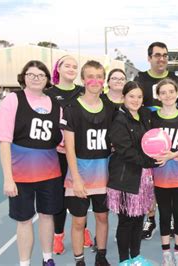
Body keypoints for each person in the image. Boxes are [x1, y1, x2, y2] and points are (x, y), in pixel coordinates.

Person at [0, 60, 62, 266]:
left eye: (41, 75)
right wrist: (8, 179)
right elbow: (4, 141)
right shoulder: (13, 100)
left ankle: (48, 259)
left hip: (50, 173)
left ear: (47, 79)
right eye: (31, 74)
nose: (36, 78)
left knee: (47, 216)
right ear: (24, 77)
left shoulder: (56, 105)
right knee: (24, 220)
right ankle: (24, 263)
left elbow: (63, 140)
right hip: (21, 175)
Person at [134, 41, 178, 240]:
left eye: (165, 55)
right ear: (149, 58)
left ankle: (172, 224)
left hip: (171, 136)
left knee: (167, 188)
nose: (161, 58)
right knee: (151, 184)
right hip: (149, 136)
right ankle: (151, 219)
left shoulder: (174, 79)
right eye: (157, 55)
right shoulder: (140, 78)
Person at [61, 60, 112, 266]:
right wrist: (76, 179)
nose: (95, 80)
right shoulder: (71, 108)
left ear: (103, 81)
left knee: (102, 218)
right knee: (79, 221)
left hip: (103, 173)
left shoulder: (109, 108)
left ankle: (101, 255)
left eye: (99, 77)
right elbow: (69, 148)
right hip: (79, 174)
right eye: (90, 76)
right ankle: (79, 260)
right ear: (83, 79)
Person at [45, 55, 93, 255]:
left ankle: (83, 230)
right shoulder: (48, 94)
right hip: (55, 154)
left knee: (82, 192)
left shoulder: (83, 92)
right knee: (59, 196)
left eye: (75, 66)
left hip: (80, 152)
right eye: (67, 65)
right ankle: (58, 235)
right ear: (58, 68)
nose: (72, 69)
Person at [106, 81, 158, 266]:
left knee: (139, 220)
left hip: (142, 179)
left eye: (139, 96)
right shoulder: (119, 120)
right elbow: (126, 151)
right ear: (123, 97)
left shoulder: (145, 115)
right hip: (124, 179)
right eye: (131, 96)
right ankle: (123, 260)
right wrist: (150, 161)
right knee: (126, 222)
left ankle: (135, 257)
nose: (135, 100)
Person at [151, 79, 178, 266]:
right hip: (160, 175)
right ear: (158, 96)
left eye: (171, 91)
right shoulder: (152, 117)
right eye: (163, 92)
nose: (168, 95)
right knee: (165, 214)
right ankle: (166, 253)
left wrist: (173, 155)